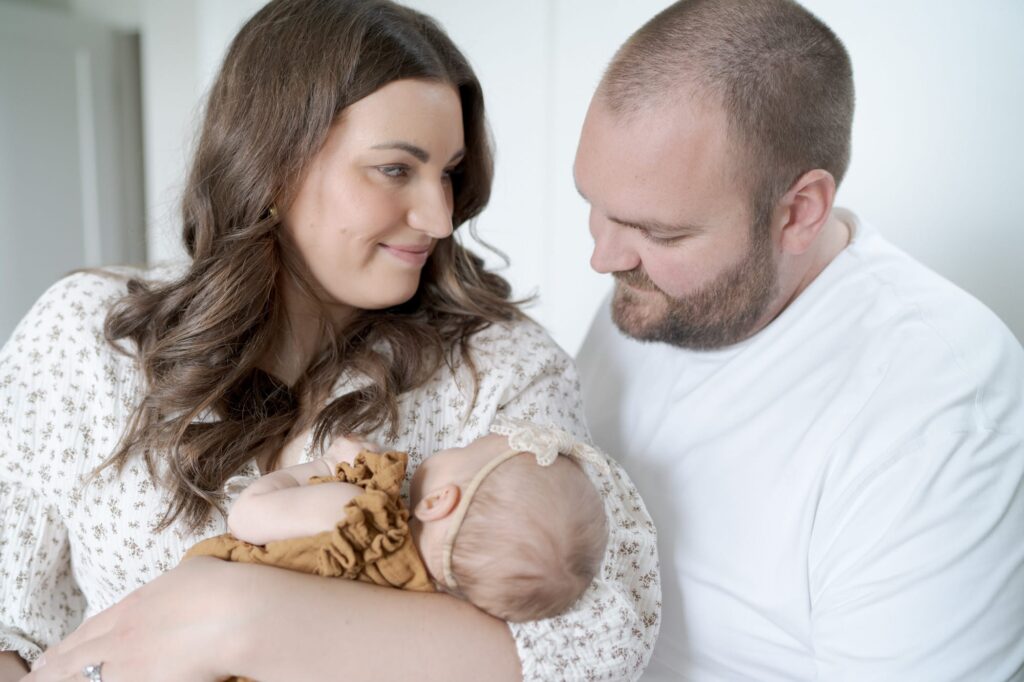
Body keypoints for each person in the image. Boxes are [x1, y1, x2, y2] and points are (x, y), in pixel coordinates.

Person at [0, 1, 659, 681]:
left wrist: (242, 618)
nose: (438, 216)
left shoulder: (501, 368)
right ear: (275, 165)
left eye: (449, 173)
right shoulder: (88, 335)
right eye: (397, 169)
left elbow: (588, 647)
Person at [574, 0, 1024, 679]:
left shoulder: (941, 414)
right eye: (594, 206)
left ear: (798, 212)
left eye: (658, 232)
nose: (603, 258)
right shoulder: (654, 294)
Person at [185, 417, 609, 624]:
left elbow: (247, 515)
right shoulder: (425, 604)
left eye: (466, 448)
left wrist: (328, 467)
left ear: (439, 501)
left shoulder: (357, 515)